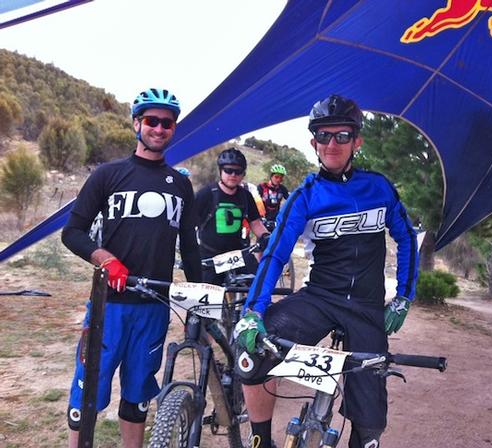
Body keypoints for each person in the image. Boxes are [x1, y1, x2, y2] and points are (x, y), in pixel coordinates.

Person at [235, 94, 419, 448]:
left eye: (342, 136)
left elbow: (407, 240)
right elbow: (275, 255)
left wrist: (403, 298)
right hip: (319, 298)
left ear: (357, 141)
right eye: (324, 136)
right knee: (252, 355)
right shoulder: (304, 196)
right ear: (313, 142)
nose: (332, 144)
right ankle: (260, 441)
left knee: (369, 427)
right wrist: (252, 312)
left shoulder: (378, 187)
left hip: (366, 307)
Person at [61, 88, 202, 448]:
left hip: (154, 308)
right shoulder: (108, 175)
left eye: (166, 123)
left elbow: (189, 247)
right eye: (151, 120)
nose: (159, 128)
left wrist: (202, 291)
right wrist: (106, 259)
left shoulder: (181, 184)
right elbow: (73, 233)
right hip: (109, 306)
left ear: (173, 129)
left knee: (138, 398)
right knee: (86, 397)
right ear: (137, 124)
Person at [195, 147, 270, 285]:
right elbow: (189, 224)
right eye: (228, 170)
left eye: (238, 171)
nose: (233, 175)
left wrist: (267, 237)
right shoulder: (206, 194)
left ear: (243, 174)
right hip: (210, 256)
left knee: (259, 284)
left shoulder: (246, 196)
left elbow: (256, 223)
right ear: (220, 171)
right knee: (210, 302)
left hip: (235, 254)